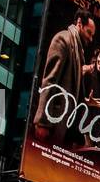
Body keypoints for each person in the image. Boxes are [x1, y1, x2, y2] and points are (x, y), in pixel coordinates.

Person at [32, 8, 95, 146]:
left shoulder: (78, 50)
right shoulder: (63, 39)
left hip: (65, 127)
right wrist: (42, 122)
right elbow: (50, 81)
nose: (90, 38)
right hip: (53, 123)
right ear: (79, 23)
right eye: (89, 33)